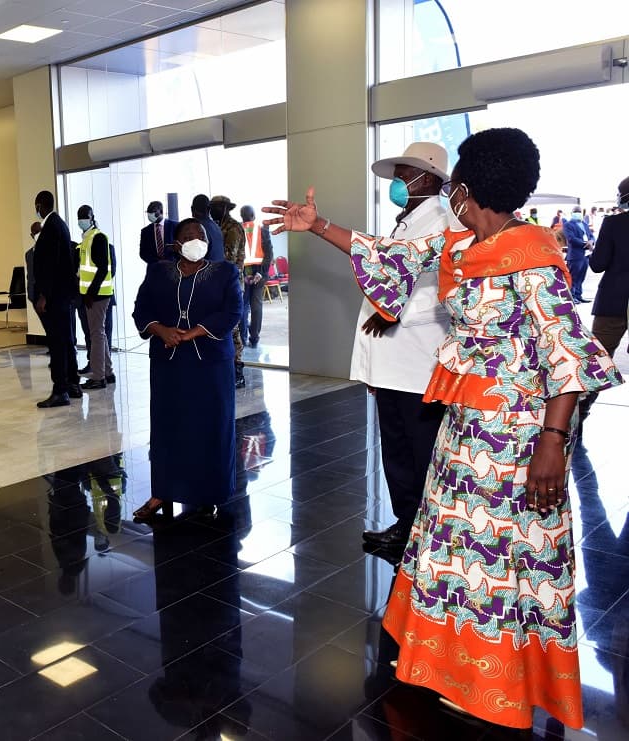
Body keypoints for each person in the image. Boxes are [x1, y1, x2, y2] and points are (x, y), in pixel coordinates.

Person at [263, 127, 622, 730]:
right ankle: (447, 670)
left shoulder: (533, 257)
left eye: (457, 179)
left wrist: (552, 445)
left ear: (469, 187)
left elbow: (568, 354)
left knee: (501, 561)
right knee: (452, 556)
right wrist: (318, 226)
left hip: (512, 439)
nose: (450, 189)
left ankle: (496, 685)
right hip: (463, 432)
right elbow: (390, 254)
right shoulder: (460, 244)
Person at [353, 142, 451, 557]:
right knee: (396, 452)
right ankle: (406, 525)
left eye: (403, 173)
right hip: (392, 365)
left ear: (427, 178)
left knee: (420, 451)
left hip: (418, 363)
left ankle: (425, 531)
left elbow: (442, 289)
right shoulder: (404, 223)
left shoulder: (444, 219)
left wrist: (396, 313)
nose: (397, 181)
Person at [131, 219, 242, 521]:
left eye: (201, 236)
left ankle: (210, 494)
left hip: (211, 365)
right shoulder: (157, 272)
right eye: (188, 236)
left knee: (211, 427)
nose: (196, 240)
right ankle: (162, 491)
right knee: (168, 427)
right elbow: (141, 309)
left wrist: (190, 333)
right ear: (175, 243)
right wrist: (161, 330)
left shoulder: (225, 272)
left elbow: (233, 312)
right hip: (169, 364)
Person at [581, 176, 629, 422]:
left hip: (614, 301)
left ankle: (578, 415)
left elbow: (598, 264)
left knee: (598, 361)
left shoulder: (614, 223)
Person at [32, 190, 79, 408]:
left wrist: (43, 296)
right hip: (63, 296)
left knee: (58, 342)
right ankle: (72, 384)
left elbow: (50, 266)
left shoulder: (51, 227)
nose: (37, 210)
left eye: (37, 206)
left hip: (55, 297)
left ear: (41, 204)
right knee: (66, 340)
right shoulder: (59, 224)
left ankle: (60, 390)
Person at [75, 205, 115, 390]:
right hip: (93, 294)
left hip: (98, 295)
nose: (82, 219)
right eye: (80, 216)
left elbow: (103, 269)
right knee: (100, 334)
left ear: (92, 217)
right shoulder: (86, 239)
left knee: (96, 334)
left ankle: (99, 377)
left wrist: (90, 293)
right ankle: (107, 372)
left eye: (85, 216)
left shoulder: (97, 237)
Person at [211, 195, 246, 388]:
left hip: (231, 282)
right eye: (212, 207)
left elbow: (229, 256)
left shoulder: (232, 228)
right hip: (219, 282)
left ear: (225, 208)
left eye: (217, 207)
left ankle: (238, 369)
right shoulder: (216, 226)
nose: (213, 210)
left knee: (232, 327)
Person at [239, 205, 273, 349]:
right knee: (256, 305)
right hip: (259, 271)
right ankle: (254, 338)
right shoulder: (262, 230)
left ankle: (242, 337)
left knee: (243, 306)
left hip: (243, 272)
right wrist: (262, 272)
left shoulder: (237, 230)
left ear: (242, 216)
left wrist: (242, 274)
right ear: (253, 215)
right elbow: (269, 253)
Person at [563, 206, 594, 303]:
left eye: (579, 211)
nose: (578, 213)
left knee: (581, 276)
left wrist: (592, 241)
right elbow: (571, 239)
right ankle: (572, 296)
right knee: (573, 277)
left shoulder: (584, 224)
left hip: (585, 255)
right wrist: (586, 244)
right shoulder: (568, 225)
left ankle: (578, 295)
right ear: (572, 213)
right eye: (575, 211)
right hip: (575, 256)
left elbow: (591, 236)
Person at [190, 194, 225, 262]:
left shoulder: (196, 228)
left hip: (206, 271)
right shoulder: (216, 227)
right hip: (219, 270)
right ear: (209, 209)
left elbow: (193, 258)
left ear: (192, 209)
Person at [25, 221, 41, 310]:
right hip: (34, 295)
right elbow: (29, 276)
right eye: (36, 232)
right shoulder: (28, 254)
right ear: (32, 235)